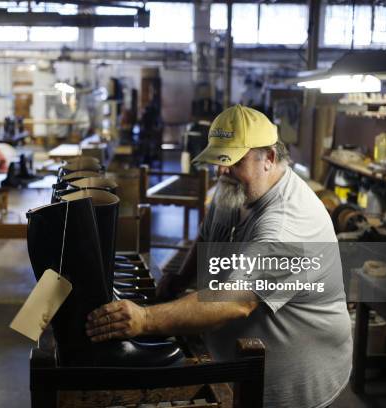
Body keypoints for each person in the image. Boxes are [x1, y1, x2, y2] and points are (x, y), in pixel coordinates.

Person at [85, 105, 353, 408]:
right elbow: (208, 236)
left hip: (293, 378)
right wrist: (178, 281)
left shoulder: (287, 225)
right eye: (218, 160)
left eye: (233, 161)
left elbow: (236, 302)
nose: (221, 170)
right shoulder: (236, 187)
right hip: (235, 361)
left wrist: (144, 319)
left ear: (269, 158)